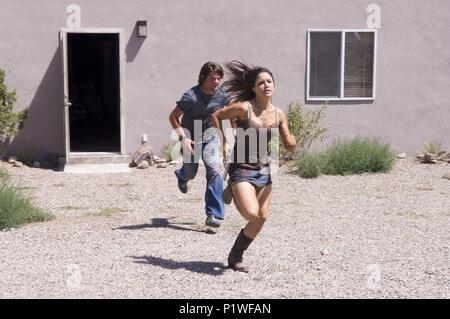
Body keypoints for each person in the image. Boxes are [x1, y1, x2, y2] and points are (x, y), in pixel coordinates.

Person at [211, 61, 296, 272]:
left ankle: (235, 255)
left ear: (273, 86)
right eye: (261, 83)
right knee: (251, 214)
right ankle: (232, 187)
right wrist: (224, 140)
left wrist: (290, 142)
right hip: (241, 167)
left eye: (269, 81)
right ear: (253, 88)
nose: (266, 85)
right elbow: (217, 116)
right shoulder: (244, 108)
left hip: (264, 170)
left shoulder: (279, 114)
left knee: (262, 218)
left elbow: (287, 141)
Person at [169, 62, 230, 228]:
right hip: (191, 137)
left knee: (214, 170)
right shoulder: (191, 97)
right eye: (213, 78)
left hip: (211, 136)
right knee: (191, 172)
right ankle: (182, 176)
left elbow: (232, 113)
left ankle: (213, 215)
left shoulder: (222, 95)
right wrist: (183, 139)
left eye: (219, 78)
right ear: (203, 77)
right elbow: (173, 117)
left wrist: (226, 142)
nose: (216, 82)